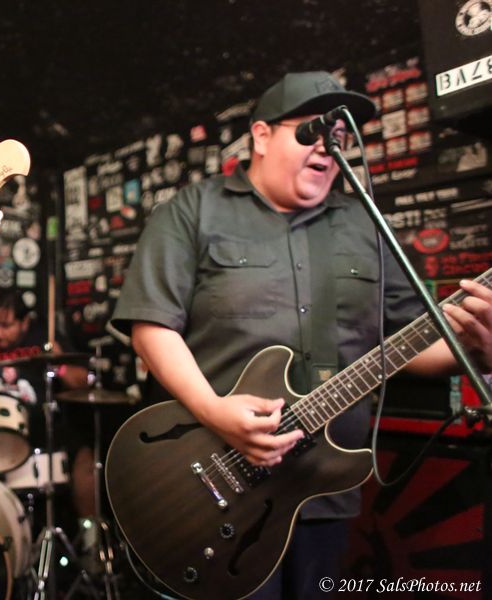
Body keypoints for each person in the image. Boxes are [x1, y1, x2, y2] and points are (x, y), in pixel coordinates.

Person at [110, 71, 492, 599]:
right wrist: (215, 411)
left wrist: (476, 349)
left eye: (340, 135)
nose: (328, 147)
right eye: (312, 131)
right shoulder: (192, 210)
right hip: (207, 483)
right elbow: (151, 327)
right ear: (262, 136)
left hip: (323, 487)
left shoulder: (366, 225)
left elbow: (408, 342)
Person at [0, 289, 98, 522]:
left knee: (85, 461)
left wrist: (60, 366)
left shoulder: (45, 336)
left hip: (40, 430)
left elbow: (83, 382)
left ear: (24, 323)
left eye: (6, 326)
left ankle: (90, 535)